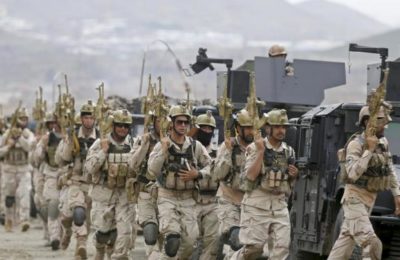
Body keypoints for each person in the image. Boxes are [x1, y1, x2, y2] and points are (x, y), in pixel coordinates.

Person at [328, 106, 400, 260]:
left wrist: (397, 195)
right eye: (381, 120)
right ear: (368, 121)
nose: (385, 125)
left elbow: (389, 169)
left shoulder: (383, 142)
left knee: (340, 252)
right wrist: (369, 150)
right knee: (373, 244)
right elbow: (352, 174)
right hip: (354, 200)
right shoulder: (356, 144)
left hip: (368, 202)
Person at [231, 109, 298, 259]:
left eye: (284, 127)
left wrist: (294, 175)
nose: (282, 131)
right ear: (268, 128)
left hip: (279, 205)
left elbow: (288, 183)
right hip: (257, 204)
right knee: (254, 248)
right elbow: (250, 176)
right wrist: (261, 152)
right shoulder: (255, 147)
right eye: (278, 127)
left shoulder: (289, 152)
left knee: (281, 249)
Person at [148, 104, 211, 259]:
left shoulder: (195, 146)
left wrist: (198, 174)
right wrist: (163, 151)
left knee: (190, 243)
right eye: (179, 122)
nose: (183, 126)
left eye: (186, 122)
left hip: (189, 199)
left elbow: (211, 166)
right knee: (172, 239)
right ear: (172, 123)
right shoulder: (162, 145)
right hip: (167, 197)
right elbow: (152, 171)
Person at [85, 109, 136, 259]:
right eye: (120, 125)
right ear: (113, 125)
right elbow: (90, 168)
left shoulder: (133, 144)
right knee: (103, 232)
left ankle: (120, 256)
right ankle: (100, 249)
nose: (123, 129)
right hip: (104, 194)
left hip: (124, 196)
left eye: (126, 126)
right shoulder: (100, 143)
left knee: (125, 232)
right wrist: (103, 152)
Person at [55, 100, 99, 259]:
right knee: (74, 214)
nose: (88, 120)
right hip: (75, 181)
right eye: (86, 117)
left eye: (91, 117)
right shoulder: (72, 135)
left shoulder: (100, 138)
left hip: (92, 184)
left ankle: (80, 247)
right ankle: (67, 232)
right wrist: (69, 142)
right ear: (81, 119)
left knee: (85, 219)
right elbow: (62, 159)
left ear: (95, 119)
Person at [213, 109, 254, 258]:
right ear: (238, 128)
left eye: (253, 127)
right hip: (228, 200)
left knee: (246, 249)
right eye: (247, 128)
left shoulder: (258, 148)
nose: (251, 131)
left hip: (250, 204)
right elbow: (218, 174)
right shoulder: (227, 146)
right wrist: (228, 153)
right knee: (237, 239)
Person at [129, 110, 161, 259]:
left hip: (168, 195)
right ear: (153, 122)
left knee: (170, 240)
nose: (163, 124)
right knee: (150, 231)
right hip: (146, 192)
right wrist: (144, 145)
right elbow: (133, 164)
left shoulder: (177, 141)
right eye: (159, 120)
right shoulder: (143, 140)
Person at [0, 107, 35, 232]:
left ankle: (24, 219)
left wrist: (19, 137)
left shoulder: (28, 134)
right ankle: (9, 219)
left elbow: (29, 147)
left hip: (24, 168)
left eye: (25, 119)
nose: (23, 121)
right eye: (21, 118)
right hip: (9, 168)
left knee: (24, 193)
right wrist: (9, 145)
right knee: (9, 196)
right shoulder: (6, 134)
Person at [191, 111, 220, 260]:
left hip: (212, 202)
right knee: (190, 242)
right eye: (204, 128)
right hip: (192, 201)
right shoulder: (189, 150)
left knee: (212, 242)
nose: (207, 131)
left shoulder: (219, 151)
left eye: (210, 129)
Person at [33, 112, 63, 250]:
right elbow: (36, 159)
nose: (53, 126)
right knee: (50, 207)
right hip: (50, 174)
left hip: (66, 175)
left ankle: (61, 235)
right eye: (50, 123)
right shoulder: (46, 139)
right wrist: (43, 146)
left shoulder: (68, 137)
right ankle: (54, 237)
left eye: (55, 123)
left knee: (64, 211)